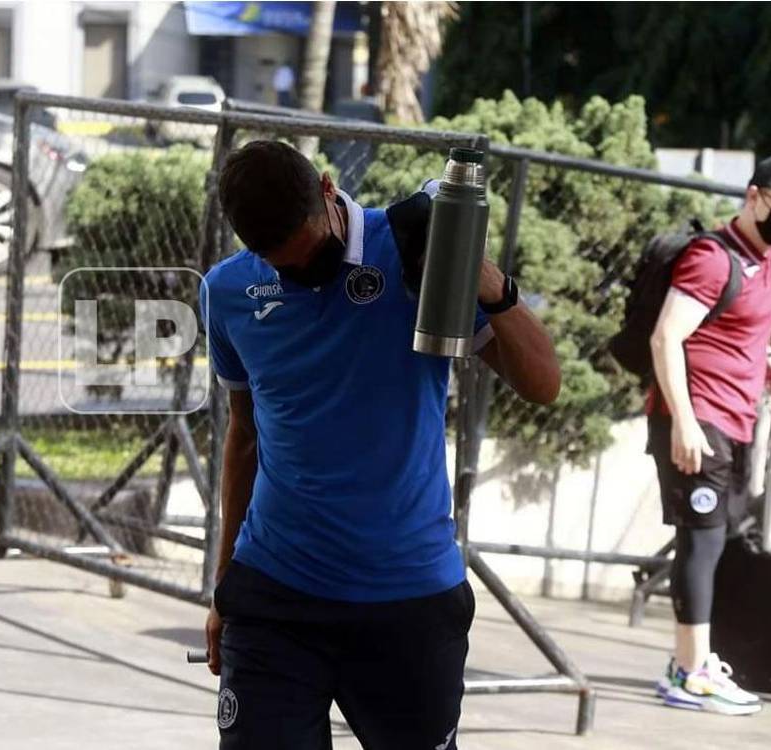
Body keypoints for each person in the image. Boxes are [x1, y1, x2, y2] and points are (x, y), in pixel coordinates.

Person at [201, 140, 560, 748]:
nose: (301, 274)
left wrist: (482, 274)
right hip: (275, 595)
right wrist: (224, 585)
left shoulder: (415, 250)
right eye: (281, 266)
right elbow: (244, 435)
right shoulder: (228, 292)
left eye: (310, 255)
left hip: (408, 598)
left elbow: (542, 384)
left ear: (326, 188)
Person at [648, 155, 771, 715]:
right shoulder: (711, 258)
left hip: (734, 418)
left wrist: (766, 363)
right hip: (700, 421)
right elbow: (666, 338)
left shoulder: (766, 258)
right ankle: (692, 673)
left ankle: (689, 663)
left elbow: (732, 329)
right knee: (700, 540)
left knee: (714, 538)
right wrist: (684, 419)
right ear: (753, 196)